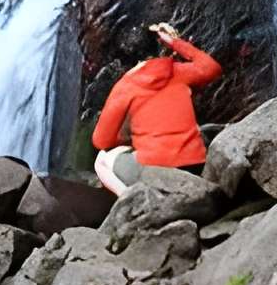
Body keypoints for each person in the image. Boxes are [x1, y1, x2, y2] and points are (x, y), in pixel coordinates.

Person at [91, 19, 222, 196]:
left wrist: (129, 138)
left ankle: (130, 199)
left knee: (102, 159)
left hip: (156, 169)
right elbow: (211, 68)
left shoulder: (125, 86)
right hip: (194, 164)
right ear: (157, 46)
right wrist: (174, 42)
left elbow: (100, 141)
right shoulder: (177, 71)